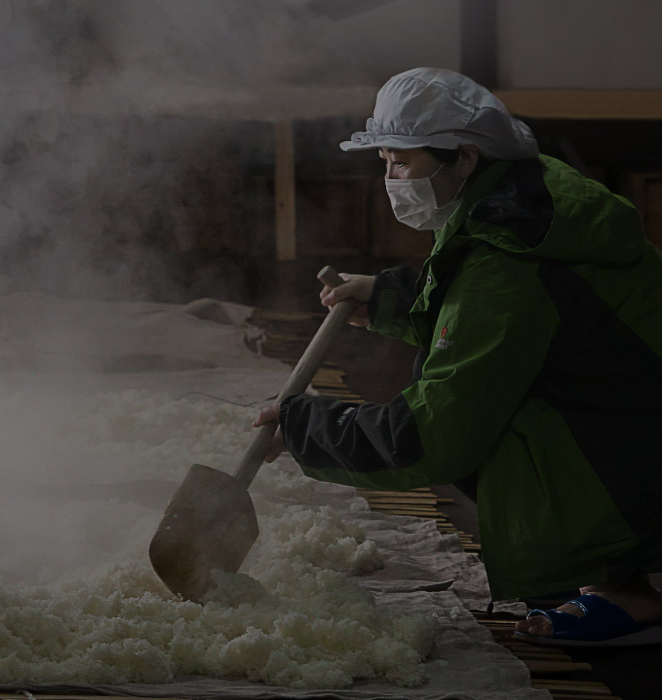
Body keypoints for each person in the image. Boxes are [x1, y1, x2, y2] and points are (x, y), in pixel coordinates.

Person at [254, 68, 662, 647]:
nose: (390, 180)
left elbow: (438, 432)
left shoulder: (506, 263)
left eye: (402, 164)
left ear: (464, 158)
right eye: (384, 163)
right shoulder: (524, 195)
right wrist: (392, 296)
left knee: (490, 425)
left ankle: (627, 590)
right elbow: (507, 317)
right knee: (480, 395)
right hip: (633, 409)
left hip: (629, 439)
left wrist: (306, 429)